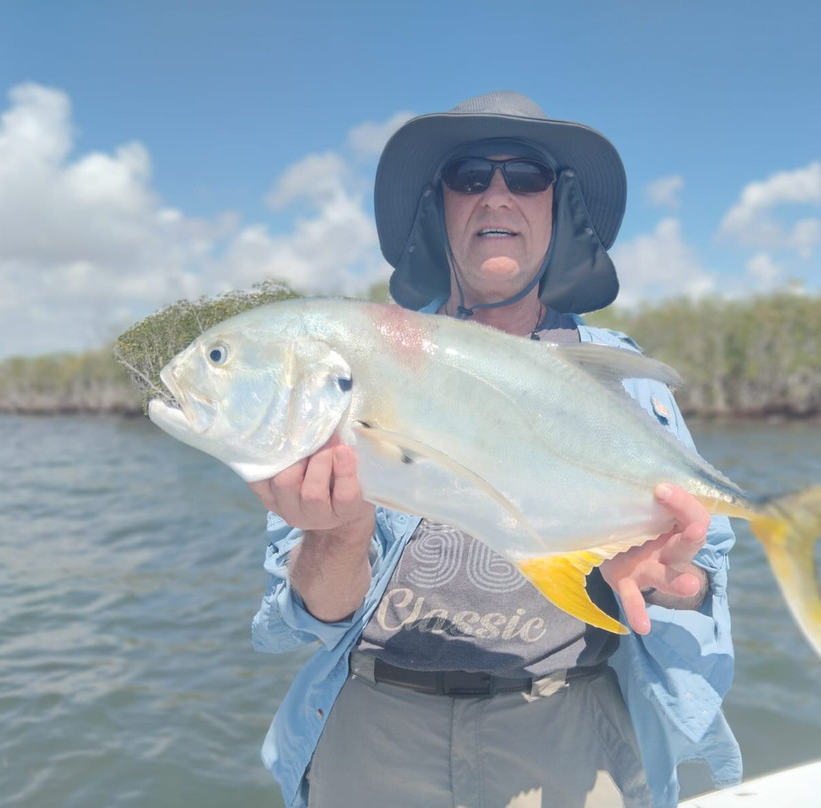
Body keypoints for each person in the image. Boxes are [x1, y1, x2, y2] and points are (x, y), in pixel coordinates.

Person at [249, 91, 742, 808]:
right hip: (375, 731)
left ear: (556, 207)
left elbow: (700, 580)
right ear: (438, 207)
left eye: (528, 176)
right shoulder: (351, 362)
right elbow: (305, 616)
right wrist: (337, 535)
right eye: (470, 176)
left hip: (570, 730)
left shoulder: (621, 379)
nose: (497, 196)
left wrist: (672, 581)